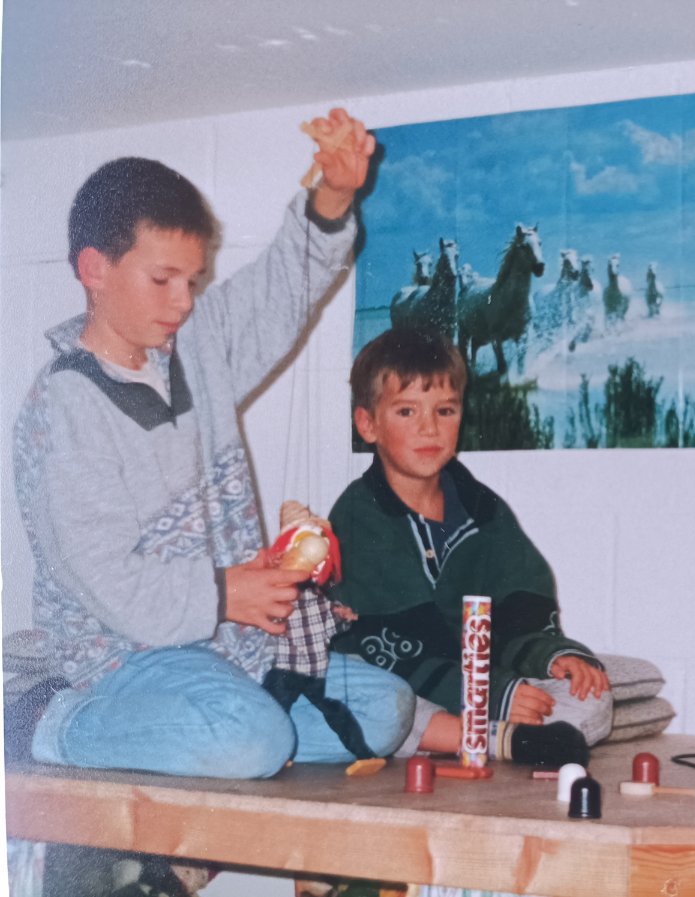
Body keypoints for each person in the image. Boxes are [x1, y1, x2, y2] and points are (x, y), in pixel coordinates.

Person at [8, 108, 415, 782]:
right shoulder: (64, 406)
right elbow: (108, 580)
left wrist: (335, 193)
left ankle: (231, 723)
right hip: (125, 657)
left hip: (231, 643)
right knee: (250, 741)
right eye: (162, 279)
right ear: (94, 269)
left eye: (192, 282)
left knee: (386, 710)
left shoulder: (194, 348)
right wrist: (226, 593)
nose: (183, 302)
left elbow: (280, 290)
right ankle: (46, 722)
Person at [329, 326, 613, 767]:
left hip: (482, 678)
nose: (429, 427)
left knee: (593, 697)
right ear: (368, 425)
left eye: (445, 410)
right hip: (403, 683)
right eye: (407, 411)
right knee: (383, 707)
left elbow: (520, 611)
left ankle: (496, 731)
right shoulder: (358, 516)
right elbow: (389, 648)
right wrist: (494, 694)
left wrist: (551, 657)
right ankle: (494, 737)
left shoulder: (483, 508)